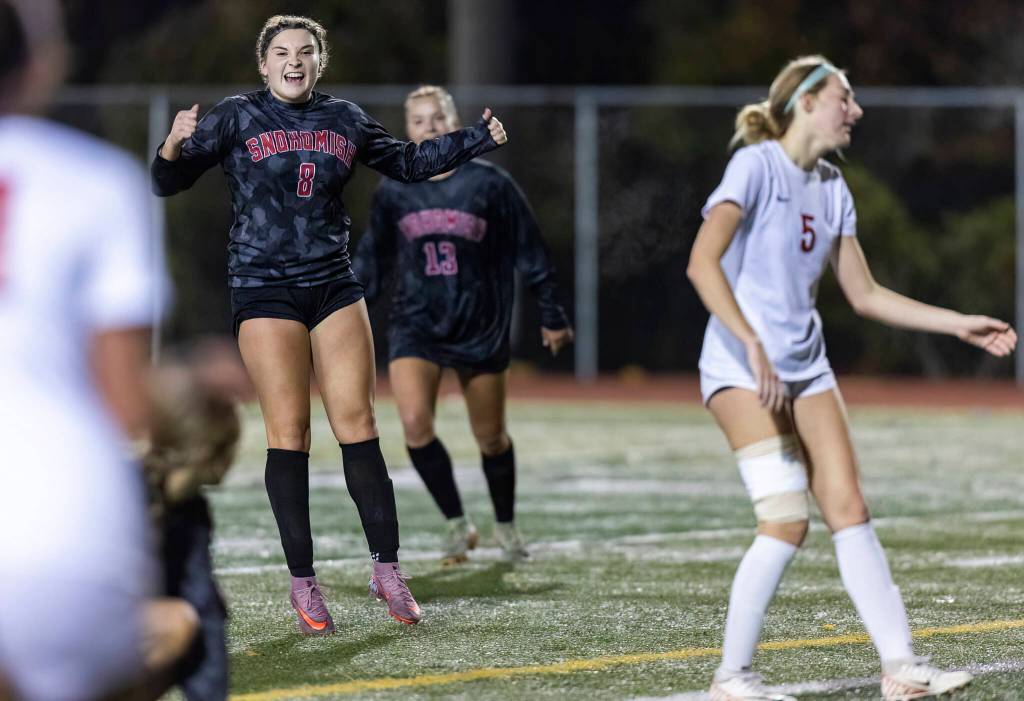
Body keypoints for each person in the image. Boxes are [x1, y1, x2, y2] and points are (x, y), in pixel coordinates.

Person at [151, 15, 508, 632]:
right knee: (289, 433)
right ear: (264, 65)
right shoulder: (236, 115)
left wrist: (475, 139)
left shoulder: (343, 118)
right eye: (282, 52)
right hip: (264, 287)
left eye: (306, 52)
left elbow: (409, 162)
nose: (294, 61)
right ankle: (304, 582)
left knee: (360, 422)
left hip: (333, 284)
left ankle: (387, 568)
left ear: (320, 62)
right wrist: (174, 143)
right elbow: (167, 182)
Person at [686, 55, 1017, 701]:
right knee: (785, 519)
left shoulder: (832, 184)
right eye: (846, 97)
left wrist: (957, 324)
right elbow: (702, 264)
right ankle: (732, 676)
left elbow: (863, 294)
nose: (855, 110)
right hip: (738, 367)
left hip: (804, 367)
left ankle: (901, 667)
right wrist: (752, 344)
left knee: (850, 509)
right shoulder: (755, 166)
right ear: (807, 102)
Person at [0, 1, 196, 698]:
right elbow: (125, 403)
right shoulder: (95, 181)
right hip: (60, 531)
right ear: (40, 65)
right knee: (171, 626)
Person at [354, 86, 572, 565]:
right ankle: (456, 523)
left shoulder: (490, 184)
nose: (429, 127)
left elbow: (531, 249)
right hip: (417, 323)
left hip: (480, 323)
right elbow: (372, 261)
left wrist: (551, 312)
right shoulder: (394, 189)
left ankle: (506, 525)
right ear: (407, 130)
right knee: (413, 424)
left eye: (438, 118)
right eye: (418, 120)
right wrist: (340, 311)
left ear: (454, 124)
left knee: (490, 436)